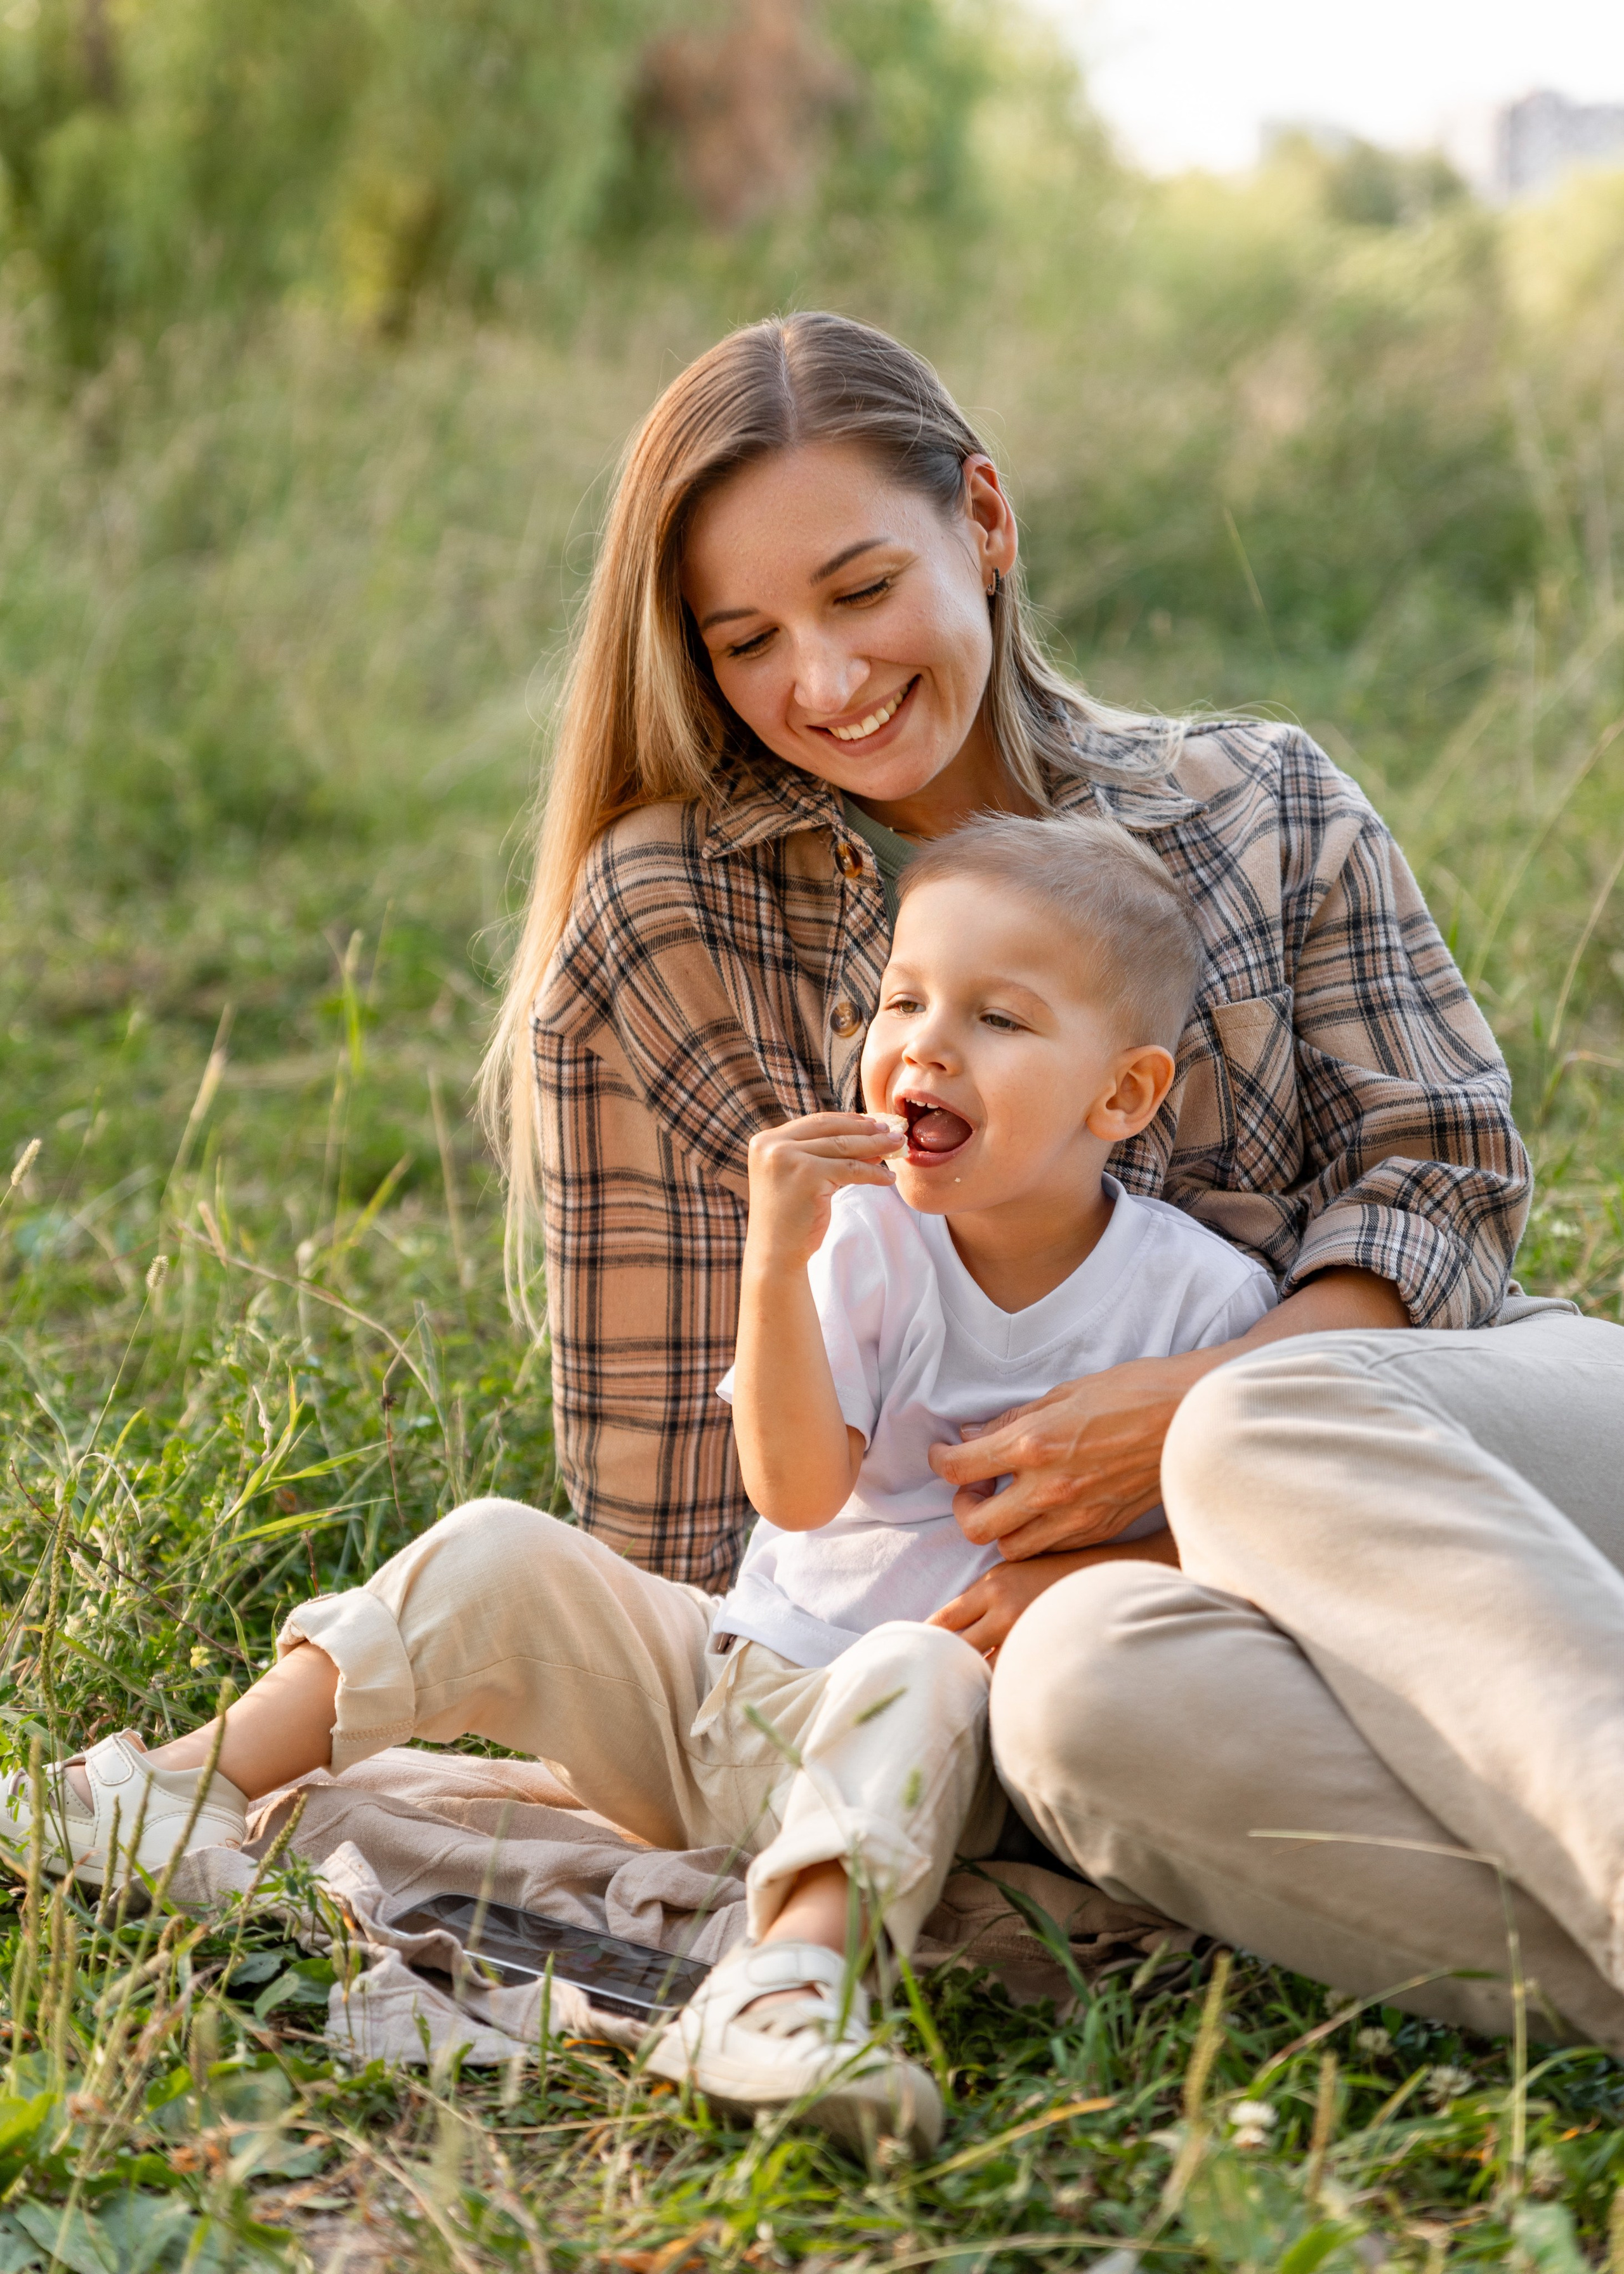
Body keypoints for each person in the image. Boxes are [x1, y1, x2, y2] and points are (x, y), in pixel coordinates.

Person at [10, 308, 1624, 2058]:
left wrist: (1180, 1432)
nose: (824, 679)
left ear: (984, 526)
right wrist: (948, 1670)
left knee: (1254, 1435)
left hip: (1473, 1483)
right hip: (1089, 1648)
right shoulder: (665, 925)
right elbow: (680, 1509)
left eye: (861, 591)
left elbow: (1441, 1180)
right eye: (747, 637)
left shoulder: (1261, 800)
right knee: (1080, 1706)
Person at [3, 810, 1273, 2155]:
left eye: (998, 1019)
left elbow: (1243, 1540)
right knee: (495, 1548)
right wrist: (774, 1259)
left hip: (916, 1755)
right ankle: (160, 1792)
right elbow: (790, 1493)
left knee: (921, 1663)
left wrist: (1077, 1576)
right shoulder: (867, 1241)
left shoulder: (1199, 1301)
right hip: (719, 1695)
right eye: (903, 997)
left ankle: (786, 1990)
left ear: (1123, 1095)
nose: (926, 1043)